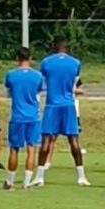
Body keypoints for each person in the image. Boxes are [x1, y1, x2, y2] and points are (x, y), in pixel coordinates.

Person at [34, 38, 90, 187]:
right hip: (68, 105)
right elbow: (74, 83)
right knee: (74, 141)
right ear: (67, 48)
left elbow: (43, 83)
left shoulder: (46, 62)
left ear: (54, 47)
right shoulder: (75, 63)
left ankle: (39, 177)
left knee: (46, 140)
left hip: (52, 104)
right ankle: (81, 176)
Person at [3, 47, 45, 190]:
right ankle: (26, 182)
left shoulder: (11, 75)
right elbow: (38, 91)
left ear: (17, 59)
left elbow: (9, 90)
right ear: (30, 58)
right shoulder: (38, 76)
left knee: (14, 149)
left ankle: (10, 182)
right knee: (32, 149)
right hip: (33, 116)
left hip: (17, 116)